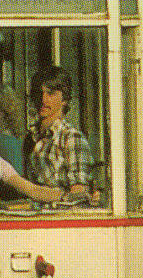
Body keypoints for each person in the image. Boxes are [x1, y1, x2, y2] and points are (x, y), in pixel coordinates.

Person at [25, 66, 98, 203]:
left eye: (51, 93)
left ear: (64, 99)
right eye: (39, 93)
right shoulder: (31, 137)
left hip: (60, 217)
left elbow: (79, 194)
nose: (43, 99)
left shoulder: (71, 137)